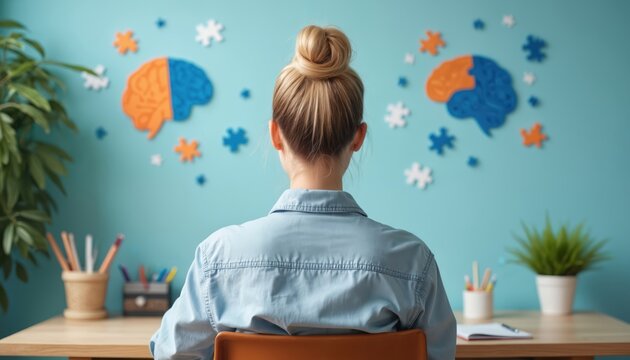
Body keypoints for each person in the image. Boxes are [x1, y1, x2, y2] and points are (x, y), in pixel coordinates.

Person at [150, 25, 456, 359]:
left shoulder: (219, 259)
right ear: (358, 138)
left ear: (275, 135)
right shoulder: (411, 261)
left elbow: (171, 354)